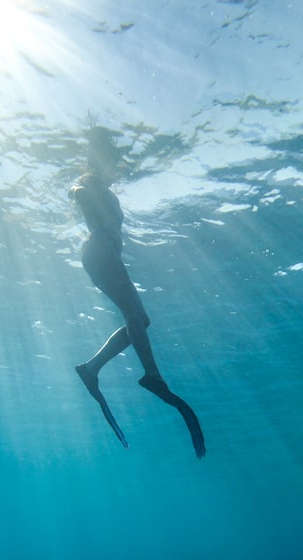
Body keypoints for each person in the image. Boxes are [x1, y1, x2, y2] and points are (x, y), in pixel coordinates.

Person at [71, 171, 206, 458]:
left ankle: (92, 368)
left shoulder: (101, 189)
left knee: (139, 320)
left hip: (101, 253)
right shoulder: (93, 184)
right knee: (135, 315)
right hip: (100, 251)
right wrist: (80, 191)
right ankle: (151, 374)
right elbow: (80, 191)